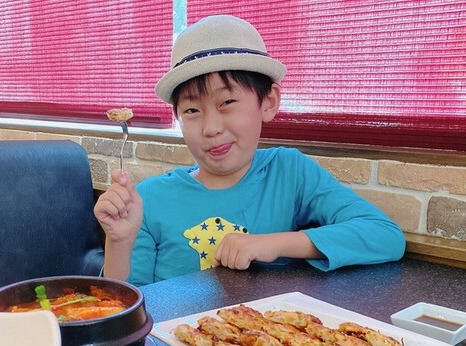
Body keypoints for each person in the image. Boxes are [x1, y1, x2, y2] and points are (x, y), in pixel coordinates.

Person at [94, 14, 405, 286]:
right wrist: (118, 242)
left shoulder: (289, 172)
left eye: (227, 102)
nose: (211, 128)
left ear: (268, 102)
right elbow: (124, 307)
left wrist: (272, 244)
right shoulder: (149, 198)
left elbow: (384, 236)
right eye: (192, 110)